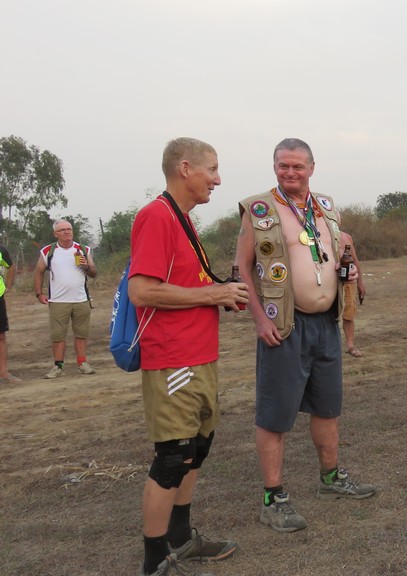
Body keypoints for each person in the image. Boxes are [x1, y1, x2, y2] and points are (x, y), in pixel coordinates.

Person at [235, 138, 377, 535]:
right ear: (274, 167)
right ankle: (273, 498)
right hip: (284, 325)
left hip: (326, 324)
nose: (290, 172)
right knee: (275, 414)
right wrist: (259, 319)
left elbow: (334, 254)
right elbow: (242, 268)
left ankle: (331, 478)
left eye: (298, 166)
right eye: (283, 165)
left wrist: (349, 270)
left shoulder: (326, 207)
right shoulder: (259, 208)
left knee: (328, 407)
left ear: (312, 168)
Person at [130, 137, 248, 575]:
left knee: (197, 447)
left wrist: (220, 293)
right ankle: (154, 560)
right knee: (173, 456)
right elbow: (142, 290)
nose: (217, 179)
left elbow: (184, 284)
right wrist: (213, 294)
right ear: (185, 168)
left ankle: (181, 540)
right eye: (211, 169)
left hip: (199, 356)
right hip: (172, 360)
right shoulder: (156, 216)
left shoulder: (182, 219)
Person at [32, 219, 98, 378]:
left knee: (81, 333)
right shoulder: (48, 251)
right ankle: (58, 366)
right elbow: (38, 272)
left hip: (81, 299)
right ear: (56, 234)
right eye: (62, 230)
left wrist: (86, 266)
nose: (67, 232)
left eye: (69, 229)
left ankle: (82, 363)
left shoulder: (83, 249)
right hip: (58, 301)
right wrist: (39, 293)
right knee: (58, 335)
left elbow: (94, 273)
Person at [340, 231, 367, 357]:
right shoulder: (321, 234)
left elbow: (355, 260)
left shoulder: (346, 237)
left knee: (349, 313)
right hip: (330, 281)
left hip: (349, 281)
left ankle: (350, 345)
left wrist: (360, 282)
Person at [0, 243, 20, 384]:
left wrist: (7, 286)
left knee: (1, 337)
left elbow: (11, 267)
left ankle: (3, 372)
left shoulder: (1, 250)